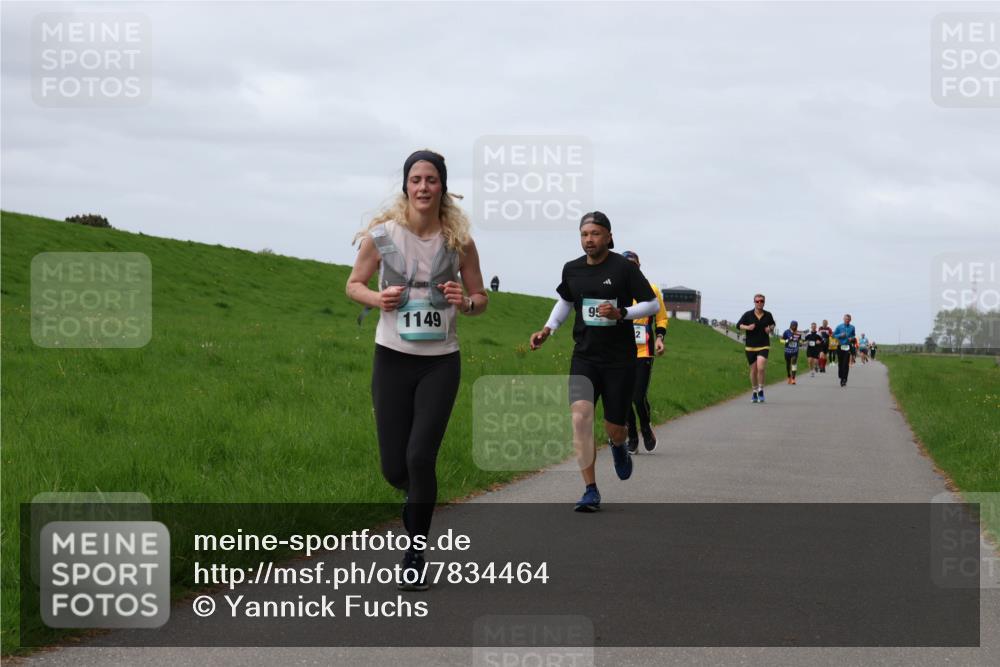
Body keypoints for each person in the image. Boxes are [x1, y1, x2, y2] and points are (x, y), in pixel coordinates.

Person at [346, 150, 488, 590]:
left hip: (441, 362)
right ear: (406, 186)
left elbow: (481, 298)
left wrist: (463, 300)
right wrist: (378, 299)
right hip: (392, 357)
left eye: (431, 180)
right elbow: (353, 285)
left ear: (443, 187)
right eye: (416, 179)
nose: (423, 187)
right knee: (394, 467)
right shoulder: (383, 236)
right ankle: (415, 494)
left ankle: (415, 553)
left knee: (419, 456)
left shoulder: (458, 241)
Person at [529, 212, 660, 512]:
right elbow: (566, 301)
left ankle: (618, 446)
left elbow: (651, 303)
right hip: (584, 357)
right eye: (584, 234)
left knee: (615, 428)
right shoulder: (572, 269)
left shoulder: (624, 268)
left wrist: (622, 314)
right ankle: (590, 489)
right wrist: (548, 329)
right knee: (580, 419)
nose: (589, 239)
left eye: (596, 233)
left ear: (609, 237)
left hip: (620, 360)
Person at [621, 250, 667, 453]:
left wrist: (659, 338)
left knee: (637, 397)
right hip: (620, 352)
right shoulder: (616, 291)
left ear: (639, 267)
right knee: (624, 397)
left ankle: (646, 427)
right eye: (626, 265)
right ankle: (632, 434)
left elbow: (662, 318)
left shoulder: (652, 290)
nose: (631, 269)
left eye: (634, 265)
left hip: (643, 351)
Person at [737, 294, 776, 403]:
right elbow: (738, 325)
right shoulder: (748, 314)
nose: (759, 303)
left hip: (764, 345)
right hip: (750, 346)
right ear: (754, 302)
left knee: (761, 367)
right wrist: (747, 327)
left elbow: (773, 324)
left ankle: (761, 390)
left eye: (761, 301)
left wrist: (770, 329)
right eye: (757, 301)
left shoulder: (768, 315)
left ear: (764, 302)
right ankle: (754, 391)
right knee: (753, 371)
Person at [833, 314, 857, 387]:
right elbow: (833, 335)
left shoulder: (852, 327)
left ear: (850, 320)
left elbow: (853, 335)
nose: (847, 320)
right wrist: (840, 335)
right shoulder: (839, 326)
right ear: (843, 319)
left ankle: (844, 379)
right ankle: (841, 375)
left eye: (848, 319)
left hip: (848, 346)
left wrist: (851, 338)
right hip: (840, 346)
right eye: (846, 319)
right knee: (840, 363)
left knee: (845, 364)